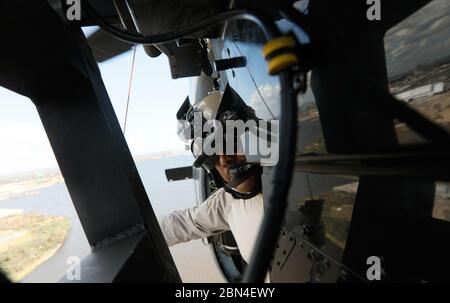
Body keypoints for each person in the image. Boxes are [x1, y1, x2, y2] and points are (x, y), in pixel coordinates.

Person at [158, 84, 266, 267]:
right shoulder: (226, 202)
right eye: (213, 156)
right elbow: (183, 223)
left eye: (230, 142)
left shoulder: (292, 175)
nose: (224, 160)